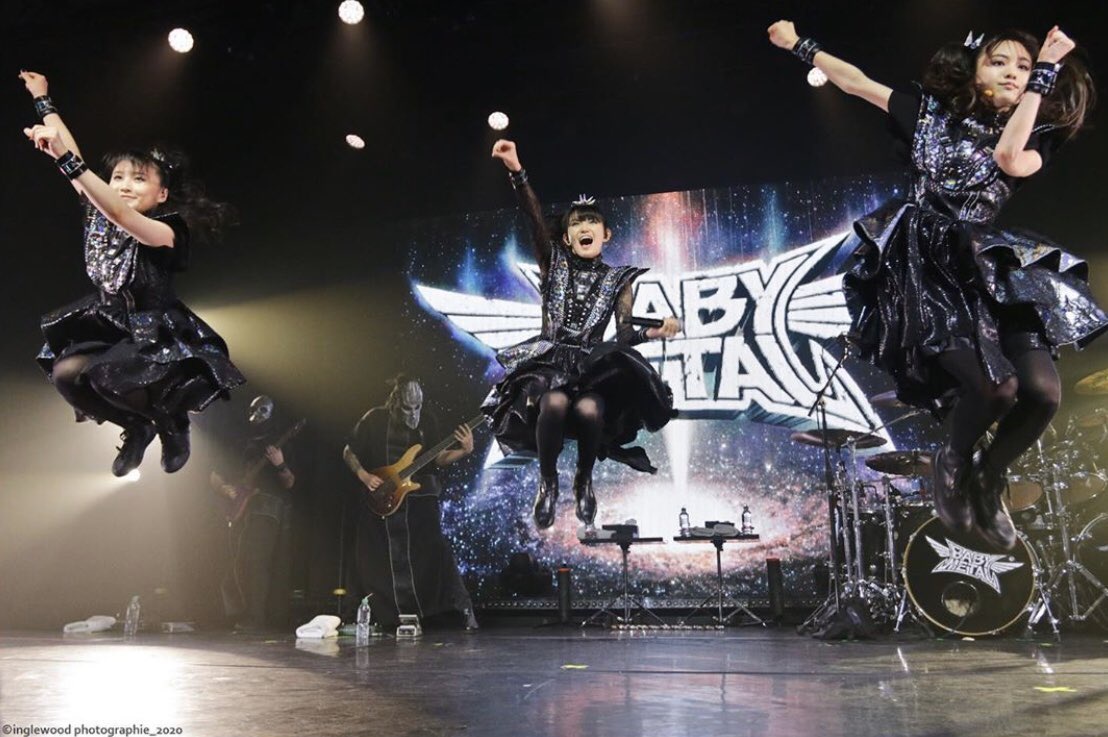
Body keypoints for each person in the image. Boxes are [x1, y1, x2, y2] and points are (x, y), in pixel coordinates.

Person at [767, 23, 1107, 549]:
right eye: (999, 62)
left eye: (1024, 66)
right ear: (974, 69)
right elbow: (855, 82)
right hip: (924, 264)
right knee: (996, 389)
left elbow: (1008, 158)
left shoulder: (1037, 131)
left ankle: (989, 476)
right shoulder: (928, 115)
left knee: (1041, 393)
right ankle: (952, 459)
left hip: (987, 264)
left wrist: (1043, 79)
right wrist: (799, 45)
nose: (1014, 73)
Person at [21, 70, 244, 475]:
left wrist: (65, 159)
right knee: (66, 374)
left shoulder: (167, 231)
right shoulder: (97, 211)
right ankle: (137, 428)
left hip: (154, 333)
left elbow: (120, 212)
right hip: (108, 322)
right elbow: (74, 158)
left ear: (161, 194)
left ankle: (171, 424)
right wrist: (42, 98)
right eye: (117, 177)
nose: (124, 185)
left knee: (105, 376)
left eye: (138, 179)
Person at [484, 139, 679, 529]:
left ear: (606, 234)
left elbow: (623, 335)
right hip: (548, 364)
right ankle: (548, 483)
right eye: (575, 223)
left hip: (592, 370)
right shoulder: (553, 262)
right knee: (554, 403)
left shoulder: (619, 280)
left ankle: (583, 481)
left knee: (590, 409)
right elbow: (534, 218)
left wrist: (654, 332)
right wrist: (517, 170)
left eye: (591, 222)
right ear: (566, 237)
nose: (584, 227)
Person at [343, 375, 479, 631]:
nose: (413, 413)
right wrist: (364, 476)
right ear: (395, 401)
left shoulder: (428, 420)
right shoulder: (375, 418)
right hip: (382, 495)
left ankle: (455, 610)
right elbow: (349, 450)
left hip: (418, 499)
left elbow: (438, 458)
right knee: (369, 556)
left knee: (436, 551)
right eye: (407, 407)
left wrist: (464, 451)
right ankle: (371, 615)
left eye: (417, 407)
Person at [211, 395, 301, 633]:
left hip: (266, 506)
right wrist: (224, 488)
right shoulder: (240, 441)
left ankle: (257, 617)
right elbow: (215, 474)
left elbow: (290, 482)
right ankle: (239, 614)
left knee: (256, 560)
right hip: (239, 508)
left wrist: (280, 464)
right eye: (253, 409)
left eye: (263, 410)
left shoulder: (280, 443)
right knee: (237, 561)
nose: (256, 415)